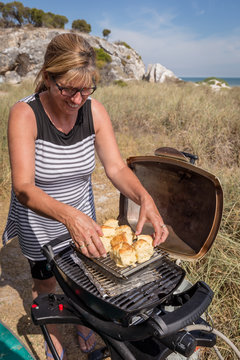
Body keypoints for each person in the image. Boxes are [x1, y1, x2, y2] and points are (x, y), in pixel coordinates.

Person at [2, 33, 169, 360]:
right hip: (40, 219)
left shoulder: (95, 111)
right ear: (48, 78)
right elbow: (23, 187)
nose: (78, 99)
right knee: (46, 285)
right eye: (67, 89)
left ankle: (84, 324)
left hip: (82, 213)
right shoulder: (25, 114)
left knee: (84, 277)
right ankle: (54, 339)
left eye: (86, 89)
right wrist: (68, 217)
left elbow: (117, 168)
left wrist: (144, 198)